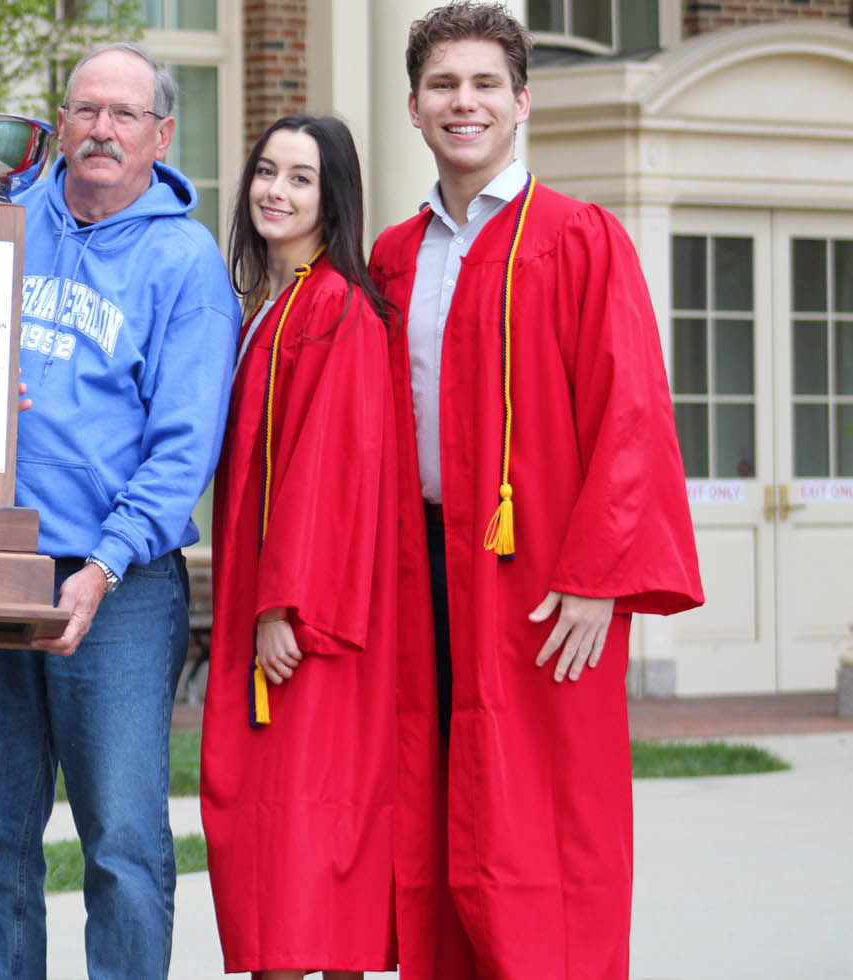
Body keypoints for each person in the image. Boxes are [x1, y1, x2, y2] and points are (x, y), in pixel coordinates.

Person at [368, 4, 705, 977]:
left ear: (522, 101)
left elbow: (633, 412)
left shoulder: (580, 239)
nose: (462, 102)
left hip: (545, 580)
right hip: (420, 570)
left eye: (482, 84)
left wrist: (601, 573)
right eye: (443, 85)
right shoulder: (396, 254)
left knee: (545, 807)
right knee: (437, 790)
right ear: (414, 105)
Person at [0, 41, 239, 978]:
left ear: (160, 135)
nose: (98, 129)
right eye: (85, 110)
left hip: (117, 583)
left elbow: (182, 450)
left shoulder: (183, 263)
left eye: (123, 115)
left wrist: (104, 563)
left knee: (123, 840)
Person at [200, 113, 415, 980]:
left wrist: (282, 605)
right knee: (272, 828)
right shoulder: (278, 304)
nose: (273, 191)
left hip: (302, 626)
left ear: (334, 198)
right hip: (271, 606)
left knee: (299, 835)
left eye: (299, 177)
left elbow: (333, 470)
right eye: (264, 171)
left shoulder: (337, 311)